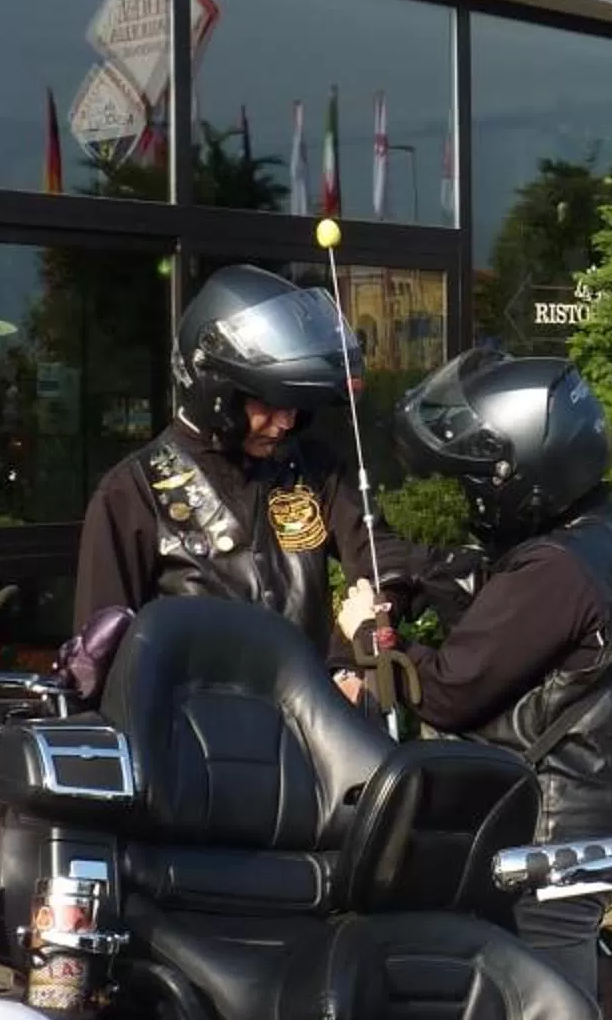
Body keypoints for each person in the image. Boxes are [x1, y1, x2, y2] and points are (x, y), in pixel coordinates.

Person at [334, 342, 612, 999]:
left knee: (547, 1004)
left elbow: (448, 690)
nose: (472, 494)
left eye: (480, 480)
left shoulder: (557, 571)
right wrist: (423, 574)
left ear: (526, 475)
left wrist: (367, 633)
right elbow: (502, 595)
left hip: (552, 828)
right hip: (586, 804)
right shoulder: (596, 526)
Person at [72, 264, 425, 700]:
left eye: (295, 404)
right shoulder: (133, 493)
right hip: (197, 727)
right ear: (217, 391)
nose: (286, 421)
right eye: (271, 402)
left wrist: (350, 659)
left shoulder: (311, 469)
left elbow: (379, 554)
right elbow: (100, 654)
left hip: (309, 717)